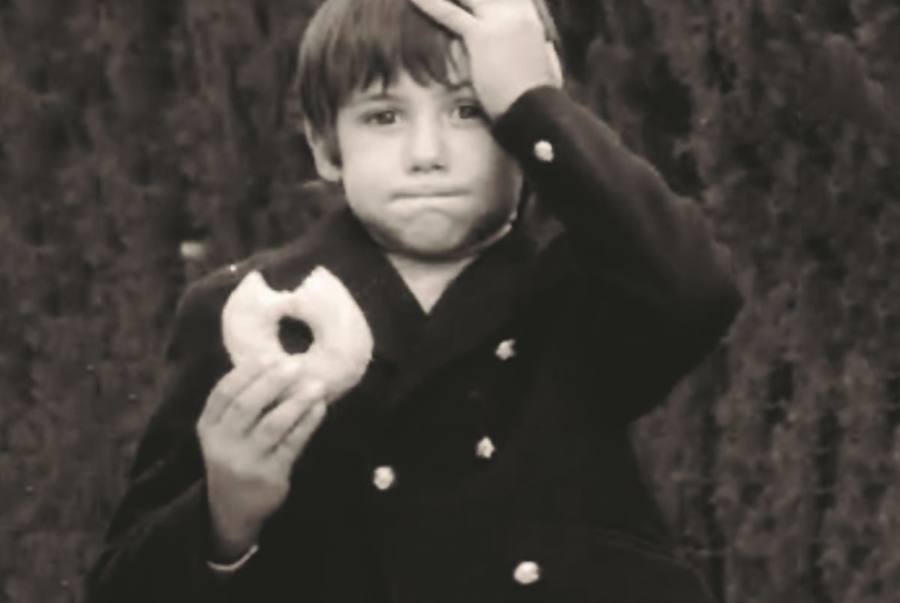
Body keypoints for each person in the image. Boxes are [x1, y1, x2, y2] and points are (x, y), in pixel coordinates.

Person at [86, 0, 743, 601]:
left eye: (470, 112)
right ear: (325, 147)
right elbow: (119, 588)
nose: (426, 155)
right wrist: (224, 515)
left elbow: (698, 290)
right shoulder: (242, 311)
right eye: (383, 116)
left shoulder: (580, 297)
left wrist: (533, 101)